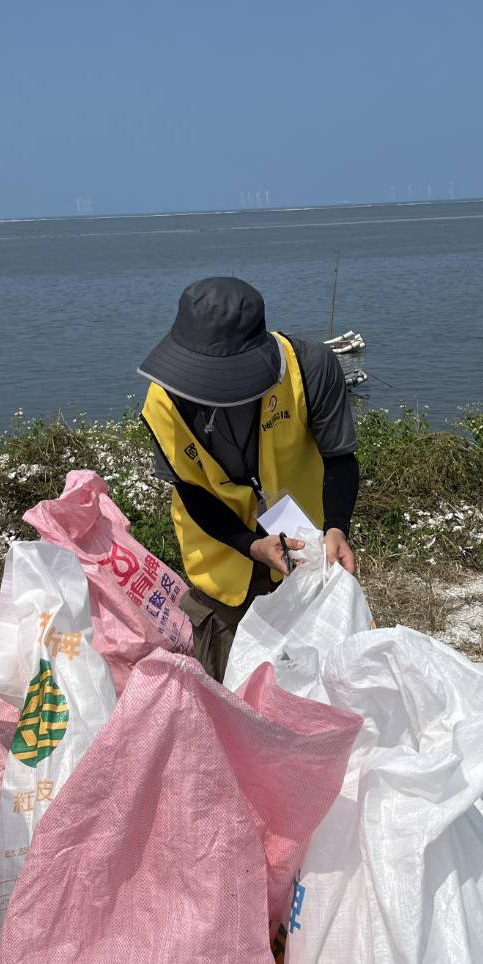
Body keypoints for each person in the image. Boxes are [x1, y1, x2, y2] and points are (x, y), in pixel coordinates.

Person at [139, 277, 359, 681]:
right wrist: (250, 545)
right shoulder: (164, 400)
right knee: (229, 696)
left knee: (315, 682)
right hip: (221, 558)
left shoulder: (309, 367)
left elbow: (340, 458)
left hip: (303, 551)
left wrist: (336, 528)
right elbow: (189, 490)